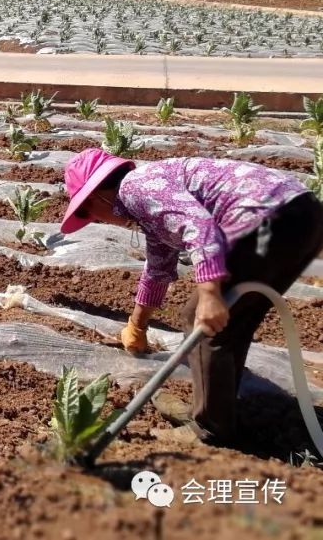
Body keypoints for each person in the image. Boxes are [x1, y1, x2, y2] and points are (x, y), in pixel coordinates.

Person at [61, 148, 323, 446]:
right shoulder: (150, 206)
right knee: (232, 323)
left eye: (86, 211)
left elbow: (199, 226)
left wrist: (210, 293)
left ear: (97, 197)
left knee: (197, 318)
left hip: (268, 218)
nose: (94, 219)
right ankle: (216, 411)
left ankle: (211, 429)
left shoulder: (135, 187)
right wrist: (137, 325)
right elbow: (157, 270)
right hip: (304, 215)